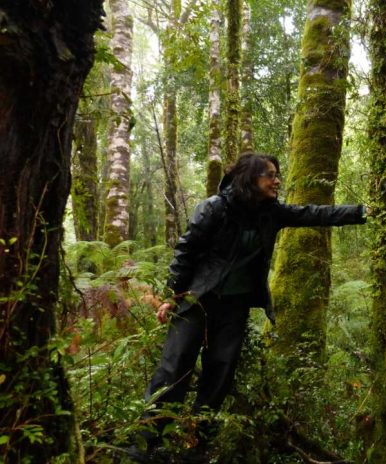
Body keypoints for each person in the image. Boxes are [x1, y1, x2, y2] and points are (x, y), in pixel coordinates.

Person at [126, 152, 367, 461]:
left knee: (220, 375)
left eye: (277, 174)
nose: (277, 180)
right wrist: (173, 296)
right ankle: (143, 445)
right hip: (198, 300)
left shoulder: (271, 213)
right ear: (249, 178)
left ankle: (197, 446)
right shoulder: (215, 208)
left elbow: (315, 213)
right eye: (270, 174)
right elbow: (185, 252)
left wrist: (361, 212)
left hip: (234, 308)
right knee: (174, 369)